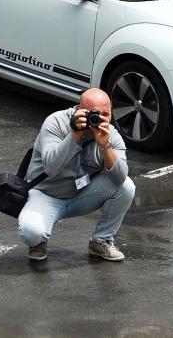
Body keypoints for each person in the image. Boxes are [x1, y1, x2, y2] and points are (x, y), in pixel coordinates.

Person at [18, 88, 135, 262]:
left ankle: (101, 241)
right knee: (32, 232)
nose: (98, 120)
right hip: (46, 194)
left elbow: (119, 178)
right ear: (78, 110)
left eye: (105, 114)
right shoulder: (56, 122)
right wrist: (74, 134)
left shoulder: (110, 134)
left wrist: (106, 147)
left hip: (81, 195)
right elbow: (50, 168)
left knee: (126, 186)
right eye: (93, 114)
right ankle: (38, 242)